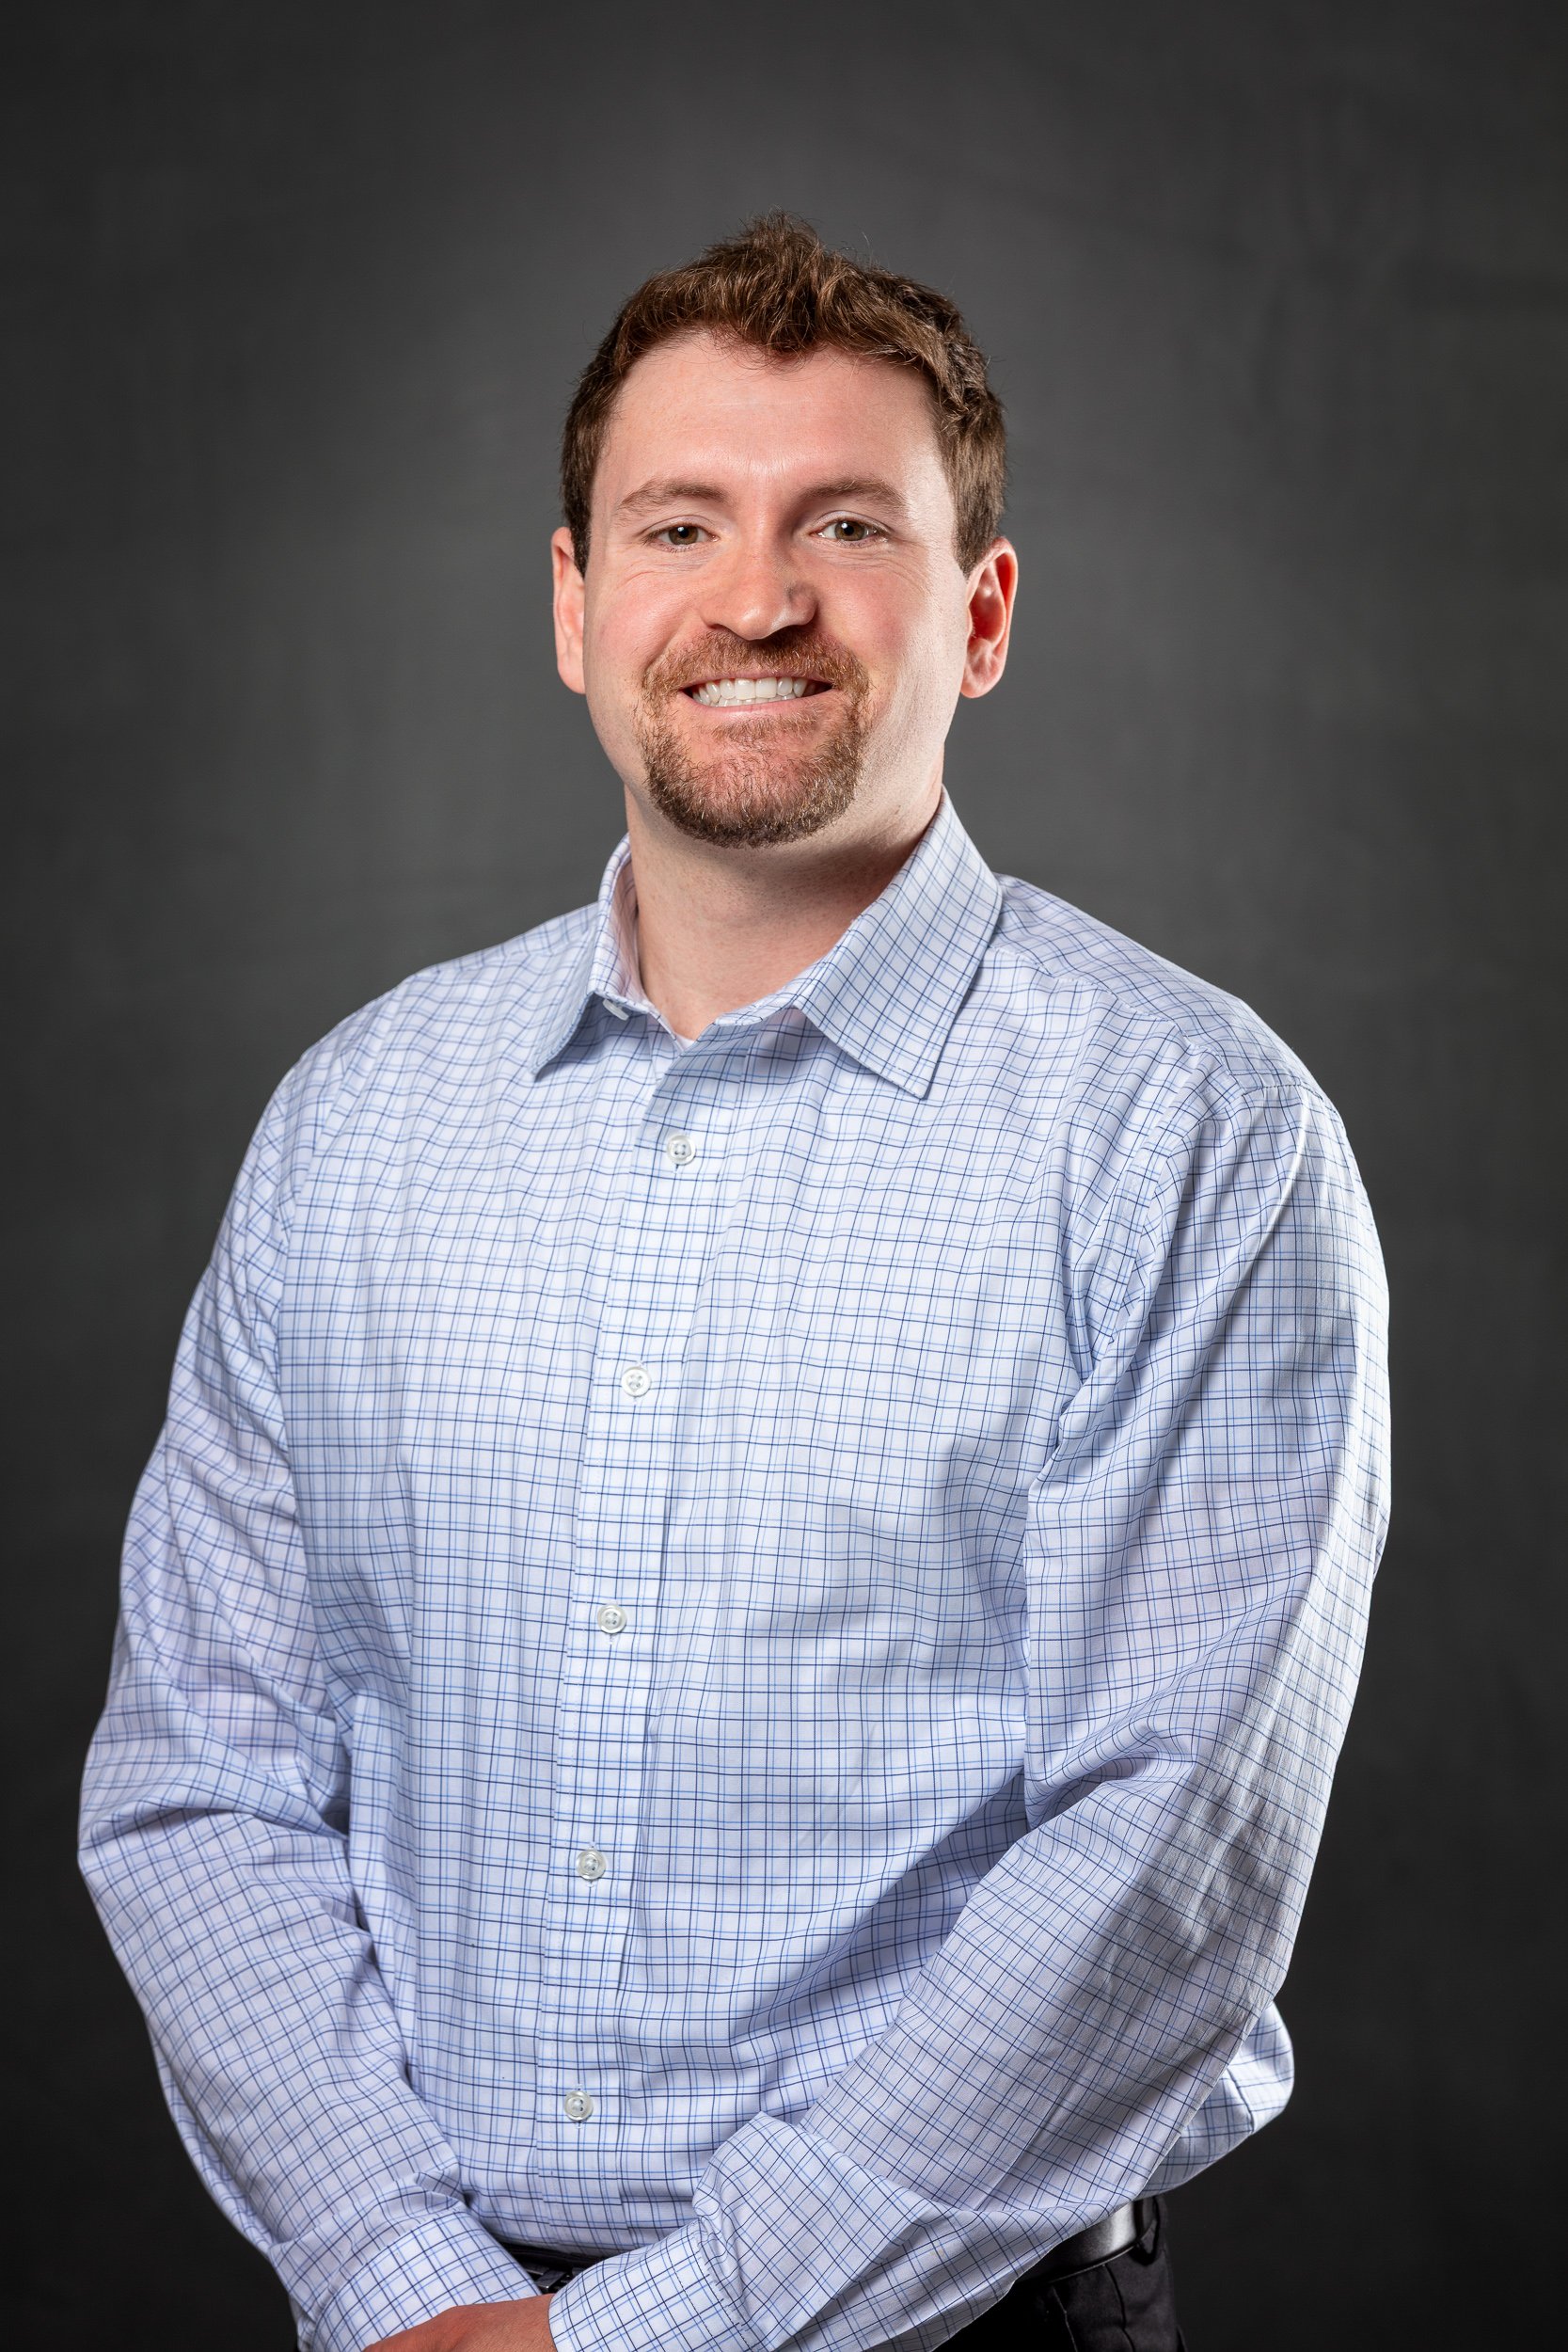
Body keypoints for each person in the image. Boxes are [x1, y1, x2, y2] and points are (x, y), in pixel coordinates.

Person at [81, 215, 1389, 2352]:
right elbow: (198, 1781)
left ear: (982, 614)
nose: (757, 596)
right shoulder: (354, 1124)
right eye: (679, 524)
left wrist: (647, 2335)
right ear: (577, 606)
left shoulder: (1193, 1135)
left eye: (846, 524)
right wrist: (413, 2285)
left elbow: (1160, 1874)